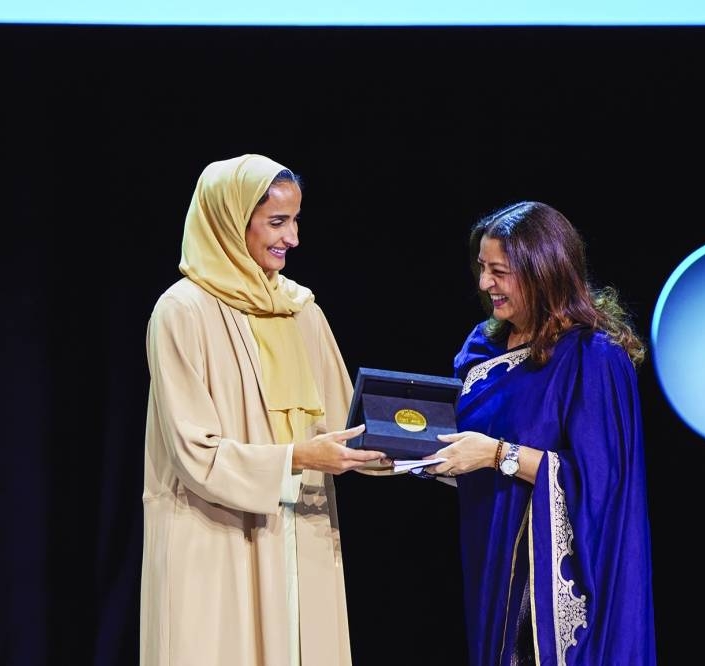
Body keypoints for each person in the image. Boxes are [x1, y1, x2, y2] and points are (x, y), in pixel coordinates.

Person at [140, 153, 385, 666]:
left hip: (301, 534)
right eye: (277, 222)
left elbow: (350, 427)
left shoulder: (301, 310)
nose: (292, 238)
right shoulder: (182, 312)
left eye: (295, 221)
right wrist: (299, 457)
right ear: (231, 223)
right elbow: (195, 453)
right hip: (215, 537)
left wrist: (424, 444)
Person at [425, 201, 657, 665]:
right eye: (482, 268)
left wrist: (497, 455)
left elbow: (602, 486)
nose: (484, 283)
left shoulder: (594, 359)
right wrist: (412, 454)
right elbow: (464, 446)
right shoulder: (482, 349)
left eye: (499, 272)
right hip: (492, 567)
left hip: (557, 586)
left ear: (542, 272)